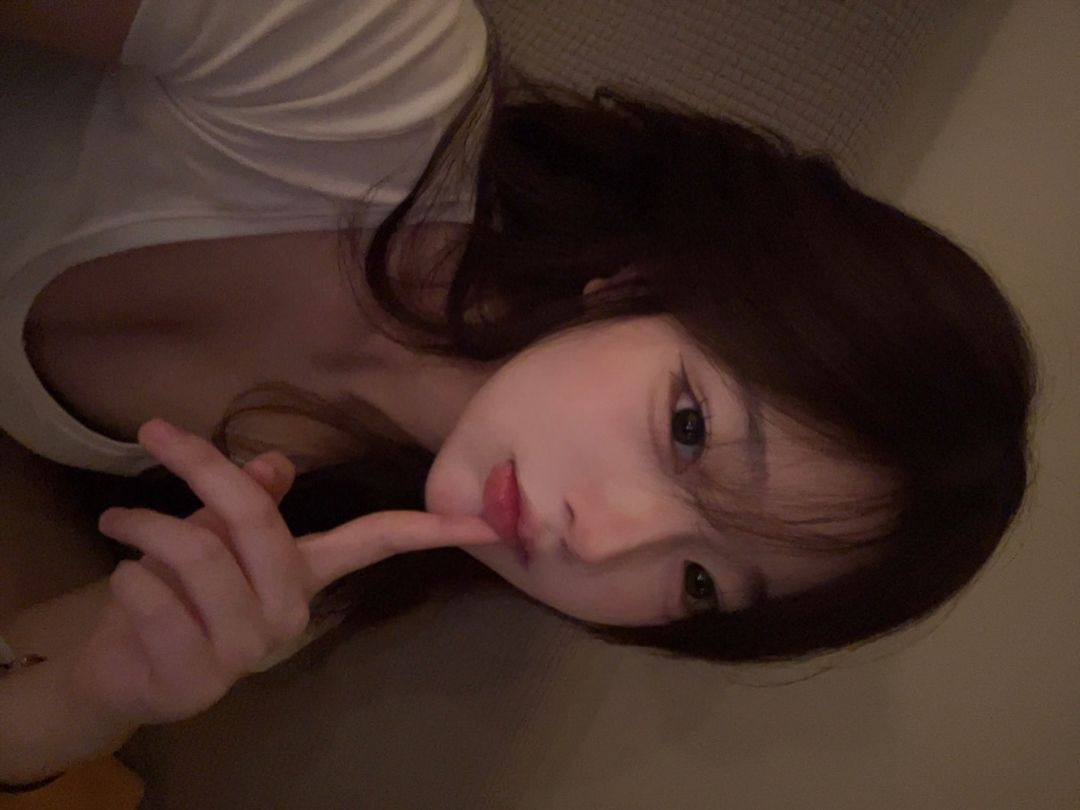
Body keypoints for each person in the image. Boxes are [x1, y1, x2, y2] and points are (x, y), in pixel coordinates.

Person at [0, 0, 1036, 797]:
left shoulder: (323, 560)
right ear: (639, 278)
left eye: (700, 583)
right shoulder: (366, 63)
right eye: (689, 431)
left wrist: (98, 692)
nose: (604, 540)